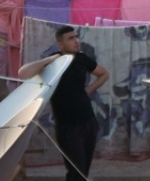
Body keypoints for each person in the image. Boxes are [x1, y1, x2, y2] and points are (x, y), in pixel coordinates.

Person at [19, 25, 109, 181]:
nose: (76, 41)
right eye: (71, 38)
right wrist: (49, 60)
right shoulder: (54, 62)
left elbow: (104, 74)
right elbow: (23, 73)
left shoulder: (81, 58)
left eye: (76, 37)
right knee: (76, 173)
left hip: (88, 121)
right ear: (60, 44)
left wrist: (88, 91)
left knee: (83, 173)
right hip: (68, 126)